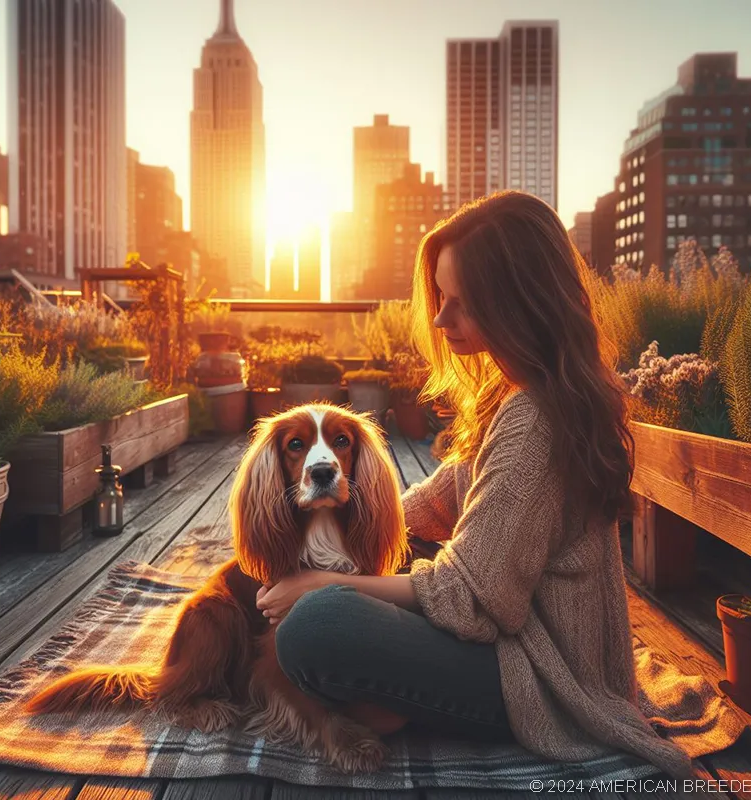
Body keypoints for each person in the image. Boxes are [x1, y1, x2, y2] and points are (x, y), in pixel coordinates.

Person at [256, 190, 694, 779]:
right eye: (440, 297)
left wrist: (320, 583)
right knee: (359, 579)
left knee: (316, 627)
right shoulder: (512, 394)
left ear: (519, 302)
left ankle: (390, 696)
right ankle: (386, 693)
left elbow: (470, 595)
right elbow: (437, 503)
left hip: (543, 678)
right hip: (522, 642)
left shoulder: (535, 418)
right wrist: (330, 516)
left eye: (461, 303)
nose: (440, 319)